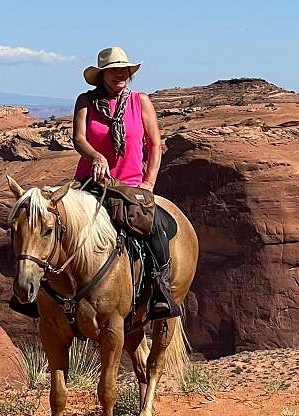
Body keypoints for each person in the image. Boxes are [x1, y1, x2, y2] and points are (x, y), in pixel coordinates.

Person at [10, 47, 179, 321]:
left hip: (131, 184)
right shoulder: (86, 101)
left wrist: (149, 181)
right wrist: (96, 156)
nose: (121, 74)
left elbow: (155, 144)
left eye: (124, 70)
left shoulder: (140, 101)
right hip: (90, 181)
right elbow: (79, 139)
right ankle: (30, 290)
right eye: (114, 70)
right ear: (102, 75)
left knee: (154, 227)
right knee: (42, 222)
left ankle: (160, 290)